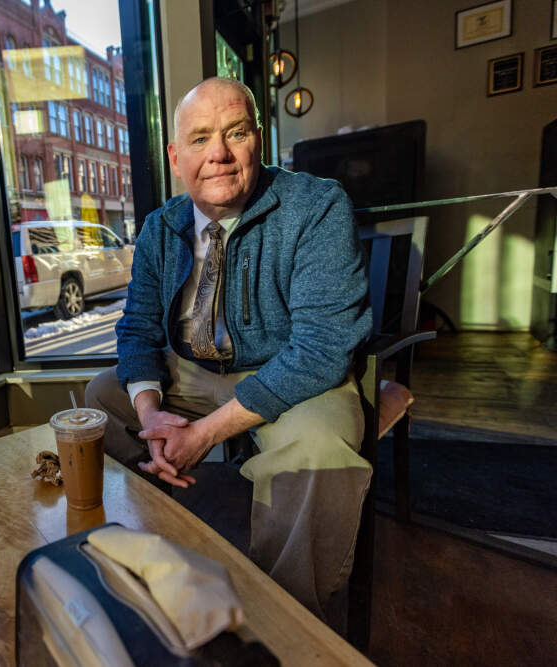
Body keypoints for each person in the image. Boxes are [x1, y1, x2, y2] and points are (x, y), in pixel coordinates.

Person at [85, 77, 372, 622]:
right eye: (199, 139)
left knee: (320, 451)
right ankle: (156, 548)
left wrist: (203, 435)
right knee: (102, 400)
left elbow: (320, 350)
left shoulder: (317, 207)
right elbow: (138, 329)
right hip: (192, 372)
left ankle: (285, 619)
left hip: (291, 372)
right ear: (175, 157)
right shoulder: (158, 228)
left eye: (234, 133)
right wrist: (151, 417)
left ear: (258, 140)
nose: (217, 154)